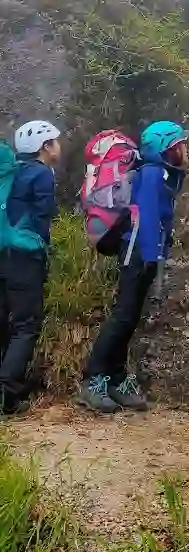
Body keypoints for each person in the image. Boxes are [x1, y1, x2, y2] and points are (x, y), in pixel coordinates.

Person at [78, 121, 188, 413]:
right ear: (170, 148)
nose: (185, 148)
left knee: (129, 317)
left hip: (141, 251)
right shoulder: (152, 175)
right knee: (123, 316)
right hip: (138, 252)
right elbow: (149, 219)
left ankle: (115, 378)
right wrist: (154, 259)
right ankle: (92, 380)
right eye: (180, 143)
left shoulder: (161, 174)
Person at [0, 120, 61, 416]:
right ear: (45, 147)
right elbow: (42, 219)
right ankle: (7, 395)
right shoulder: (41, 174)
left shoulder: (13, 171)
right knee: (26, 325)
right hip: (25, 257)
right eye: (55, 141)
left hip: (3, 252)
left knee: (4, 321)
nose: (58, 146)